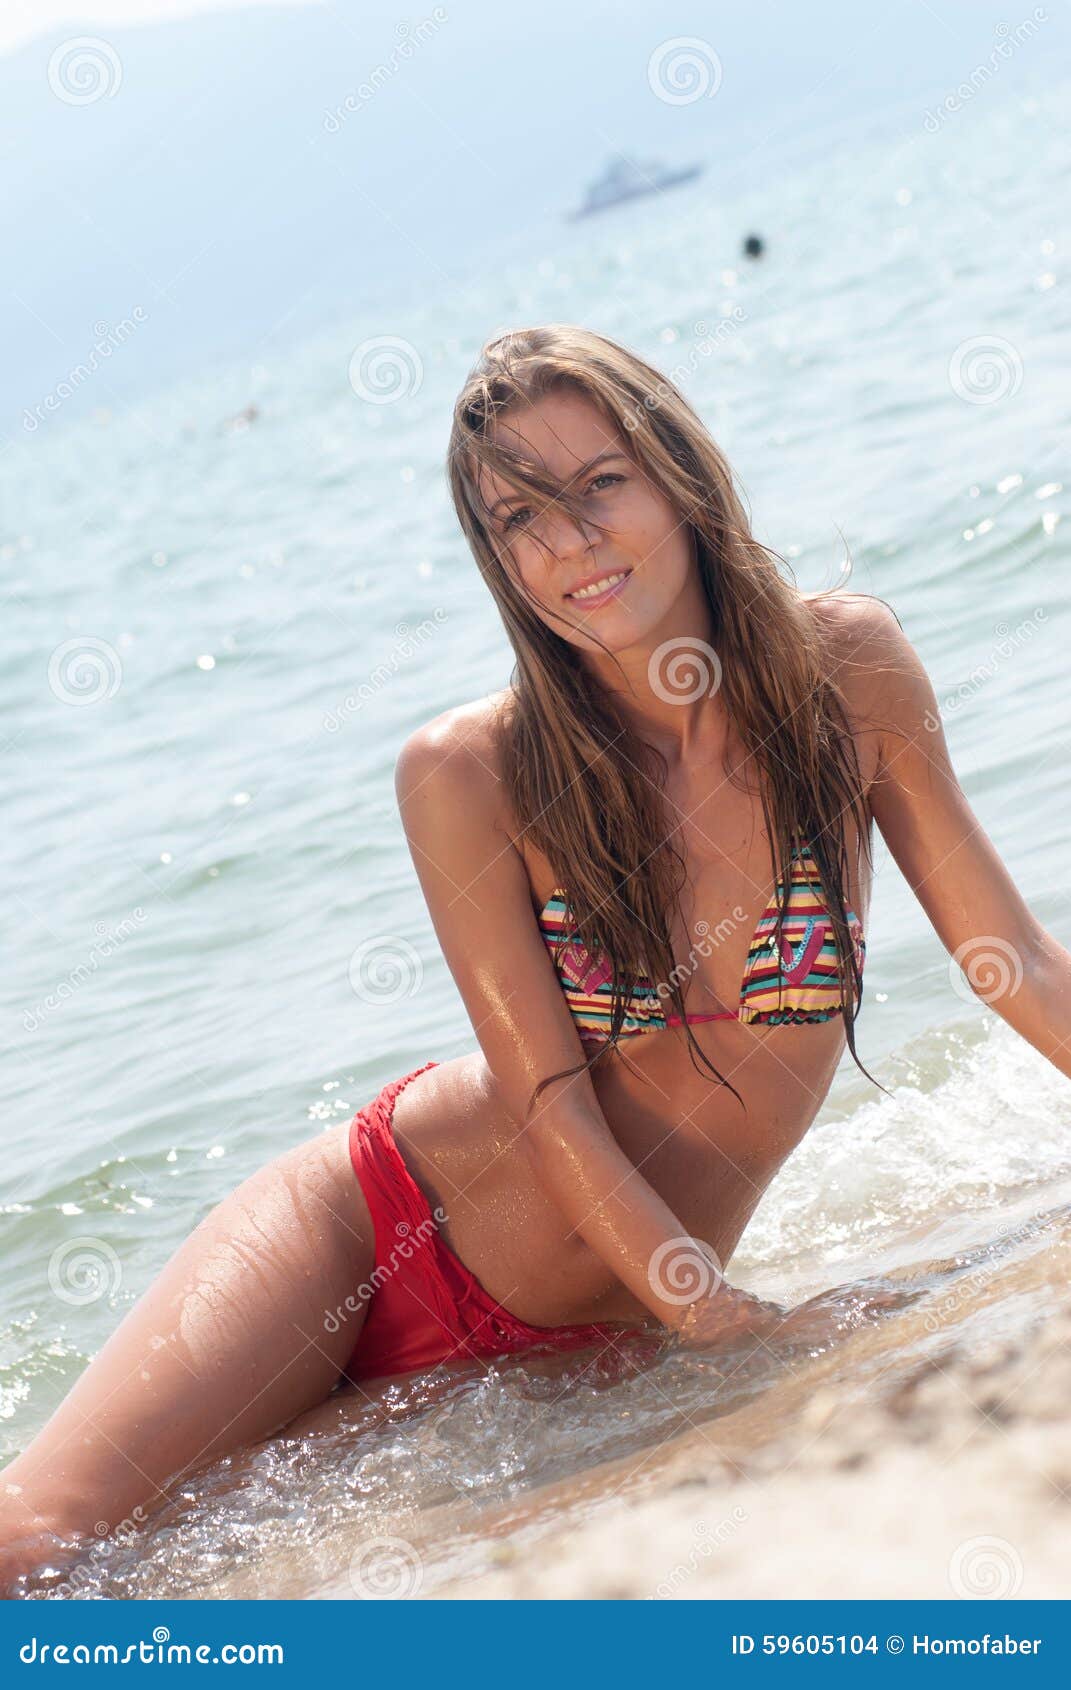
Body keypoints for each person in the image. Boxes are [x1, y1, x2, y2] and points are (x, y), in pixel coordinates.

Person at [4, 323, 1069, 1592]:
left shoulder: (845, 674)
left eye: (597, 484)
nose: (567, 543)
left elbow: (1007, 960)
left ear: (679, 473)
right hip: (366, 1233)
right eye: (519, 516)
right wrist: (711, 1313)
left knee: (191, 1570)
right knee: (40, 1551)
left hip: (572, 1346)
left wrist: (679, 1319)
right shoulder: (471, 769)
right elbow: (547, 1093)